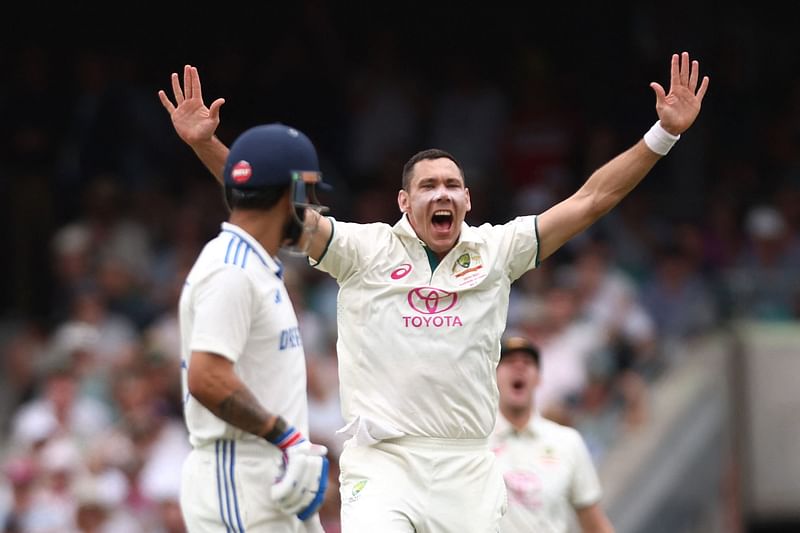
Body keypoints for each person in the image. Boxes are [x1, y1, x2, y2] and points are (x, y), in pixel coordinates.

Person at [159, 52, 709, 533]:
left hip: (467, 464)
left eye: (451, 186)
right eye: (427, 186)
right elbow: (271, 203)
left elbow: (590, 200)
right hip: (383, 462)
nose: (441, 194)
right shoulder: (362, 249)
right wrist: (208, 146)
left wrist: (663, 136)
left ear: (468, 199)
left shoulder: (500, 250)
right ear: (404, 201)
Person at [175, 123, 330, 532]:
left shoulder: (252, 262)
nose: (312, 206)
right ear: (291, 194)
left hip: (268, 475)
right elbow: (207, 379)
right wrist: (287, 438)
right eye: (308, 191)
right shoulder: (232, 270)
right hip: (238, 477)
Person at [492, 334, 615, 533]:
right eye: (509, 362)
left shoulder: (568, 442)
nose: (519, 367)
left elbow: (595, 525)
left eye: (528, 362)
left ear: (539, 379)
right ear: (493, 376)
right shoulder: (475, 444)